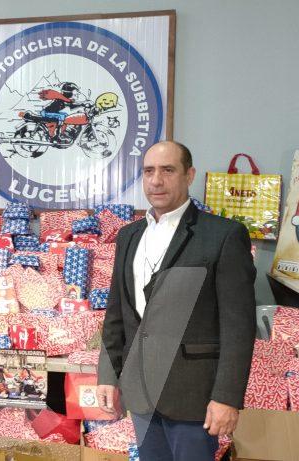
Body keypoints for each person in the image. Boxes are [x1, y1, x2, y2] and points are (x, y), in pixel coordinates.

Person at [96, 141, 256, 460]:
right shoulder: (128, 236)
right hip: (141, 393)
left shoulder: (223, 235)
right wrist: (108, 376)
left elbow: (238, 327)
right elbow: (116, 313)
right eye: (149, 171)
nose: (156, 181)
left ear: (189, 175)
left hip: (193, 398)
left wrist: (227, 397)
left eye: (168, 170)